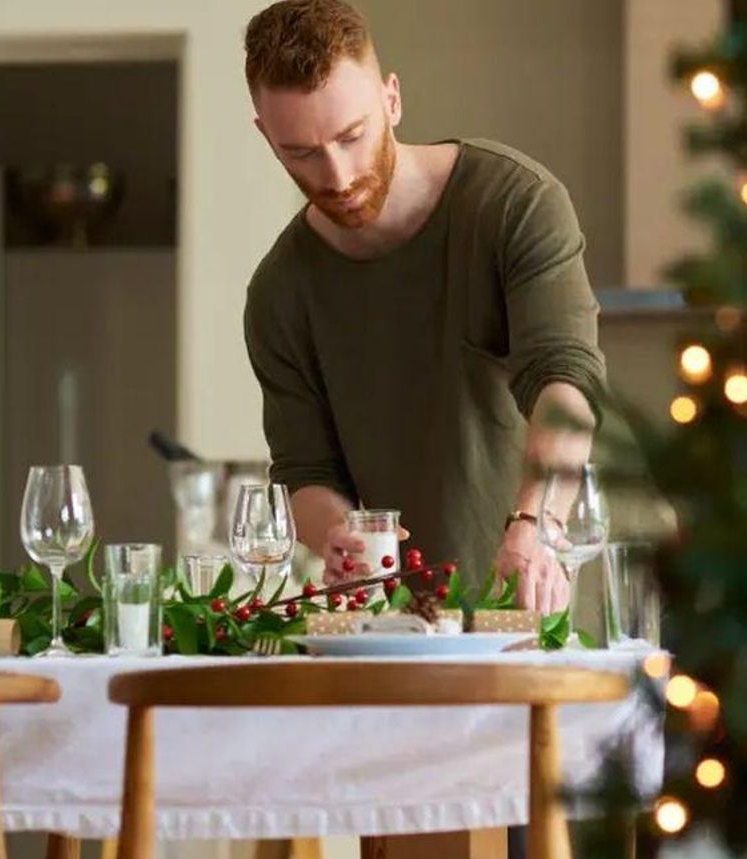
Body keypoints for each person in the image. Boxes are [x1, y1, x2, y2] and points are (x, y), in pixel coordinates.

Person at [242, 0, 604, 615]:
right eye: (300, 152)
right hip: (385, 632)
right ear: (265, 137)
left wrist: (533, 526)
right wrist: (338, 533)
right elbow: (305, 473)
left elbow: (565, 383)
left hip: (530, 600)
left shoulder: (514, 204)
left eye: (352, 136)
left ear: (392, 101)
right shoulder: (280, 291)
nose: (337, 175)